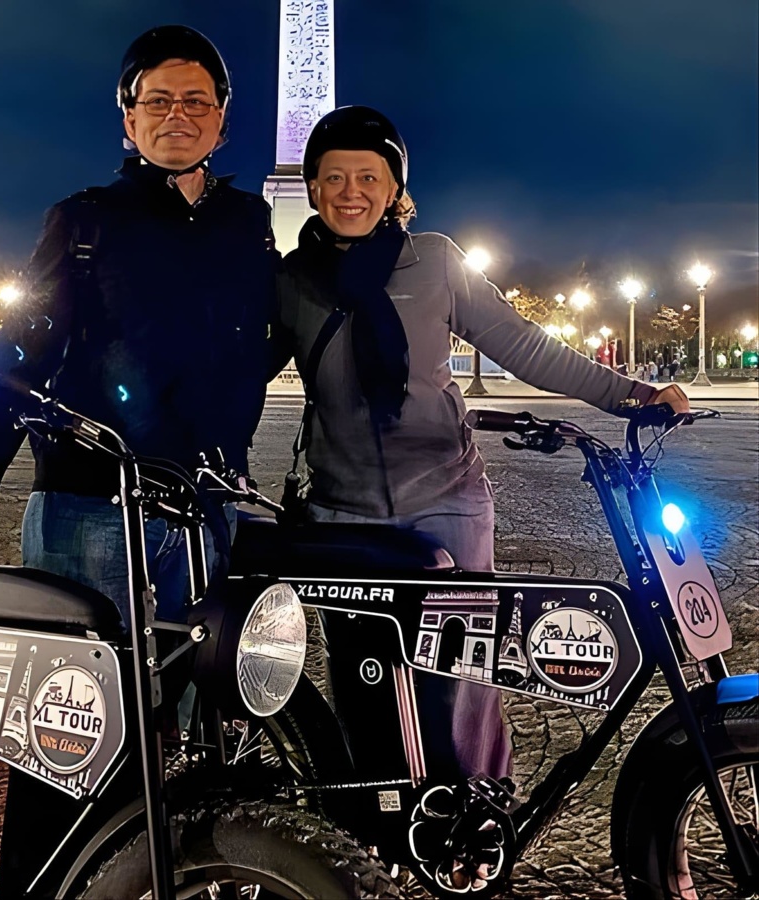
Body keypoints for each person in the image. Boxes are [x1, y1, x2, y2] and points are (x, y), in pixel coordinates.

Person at [270, 105, 689, 823]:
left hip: (446, 501)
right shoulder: (292, 282)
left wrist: (631, 395)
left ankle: (475, 819)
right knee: (366, 680)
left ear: (394, 187)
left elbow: (523, 346)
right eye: (333, 176)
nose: (350, 191)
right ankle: (377, 833)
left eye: (368, 176)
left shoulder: (433, 260)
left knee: (461, 677)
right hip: (342, 516)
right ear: (309, 187)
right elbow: (234, 372)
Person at [0, 25, 279, 631]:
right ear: (129, 119)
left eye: (196, 100)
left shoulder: (248, 223)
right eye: (158, 100)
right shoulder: (82, 222)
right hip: (91, 514)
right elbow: (12, 358)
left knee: (190, 717)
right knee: (83, 717)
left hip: (210, 511)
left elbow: (261, 341)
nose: (178, 114)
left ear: (221, 120)